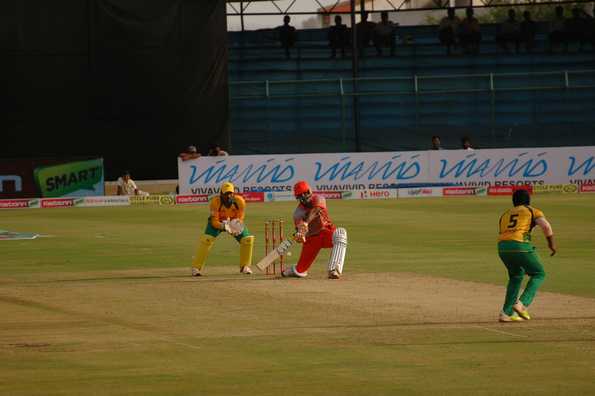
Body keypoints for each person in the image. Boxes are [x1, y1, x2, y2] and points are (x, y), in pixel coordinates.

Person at [497, 189, 556, 322]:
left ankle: (506, 313)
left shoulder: (505, 213)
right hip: (520, 246)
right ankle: (522, 304)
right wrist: (551, 244)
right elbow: (546, 226)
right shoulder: (532, 211)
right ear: (528, 200)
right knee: (539, 274)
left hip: (502, 248)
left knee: (516, 276)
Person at [282, 181, 347, 280]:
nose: (304, 196)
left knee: (340, 233)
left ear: (310, 191)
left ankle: (334, 270)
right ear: (297, 197)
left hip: (327, 233)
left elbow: (316, 210)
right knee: (300, 271)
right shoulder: (298, 213)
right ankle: (294, 270)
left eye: (306, 192)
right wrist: (300, 235)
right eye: (301, 195)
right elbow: (300, 231)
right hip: (312, 240)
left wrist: (306, 223)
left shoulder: (318, 198)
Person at [190, 182, 254, 277]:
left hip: (233, 223)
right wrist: (224, 226)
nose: (228, 196)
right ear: (221, 193)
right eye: (226, 193)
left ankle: (245, 266)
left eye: (230, 193)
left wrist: (236, 225)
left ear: (233, 193)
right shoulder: (215, 202)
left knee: (247, 239)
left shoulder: (240, 201)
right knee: (206, 240)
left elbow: (240, 217)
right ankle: (196, 268)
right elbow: (214, 222)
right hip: (218, 223)